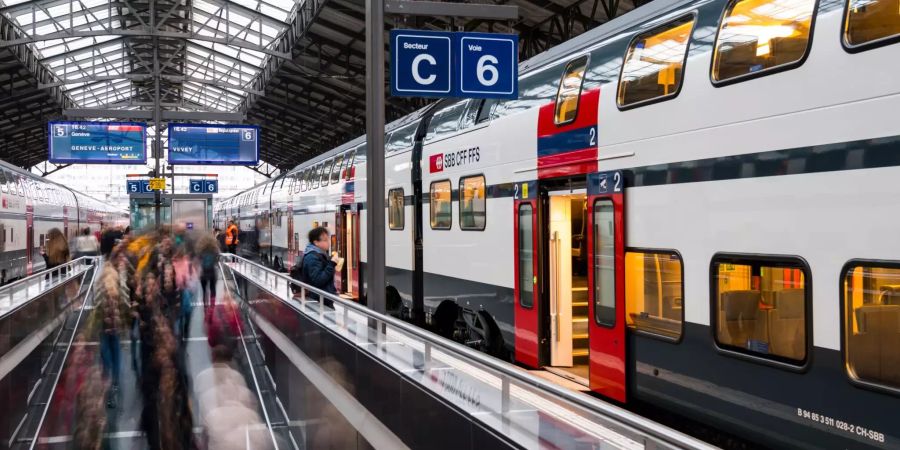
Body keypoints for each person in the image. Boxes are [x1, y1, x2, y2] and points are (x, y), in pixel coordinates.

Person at [296, 227, 338, 307]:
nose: (328, 242)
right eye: (325, 240)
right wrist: (331, 264)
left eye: (328, 239)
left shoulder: (319, 254)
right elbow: (318, 280)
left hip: (322, 299)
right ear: (316, 242)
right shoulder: (312, 257)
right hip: (318, 300)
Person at [196, 233, 220, 308]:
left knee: (204, 291)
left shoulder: (200, 251)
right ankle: (212, 307)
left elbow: (199, 259)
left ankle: (205, 308)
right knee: (213, 289)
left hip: (203, 273)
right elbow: (217, 259)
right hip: (212, 272)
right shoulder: (214, 250)